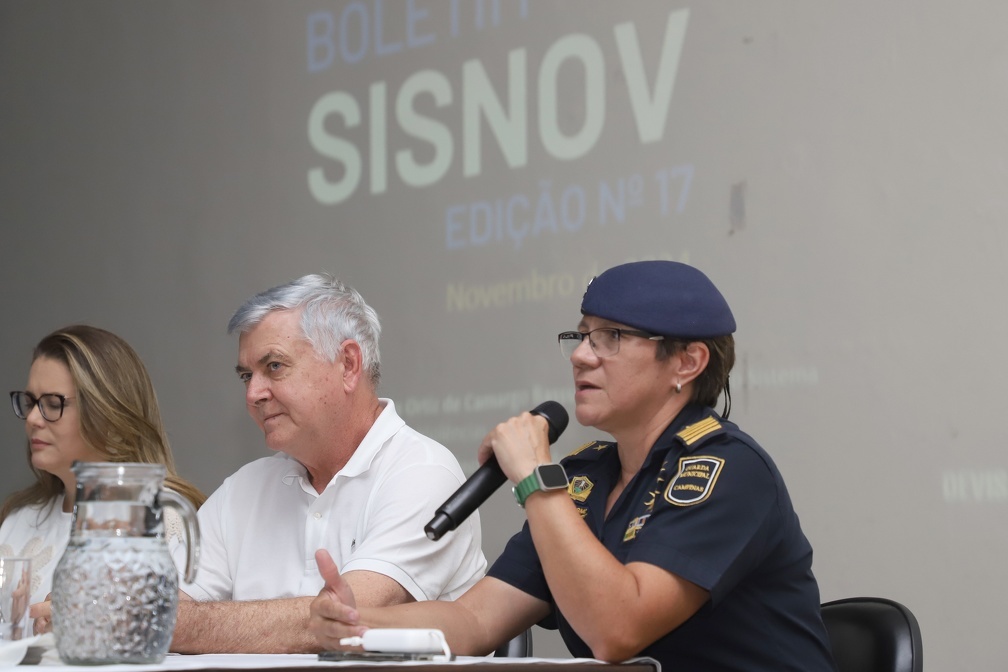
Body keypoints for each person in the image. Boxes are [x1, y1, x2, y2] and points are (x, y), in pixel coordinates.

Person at [308, 261, 837, 671]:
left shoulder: (729, 470)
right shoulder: (585, 480)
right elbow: (475, 620)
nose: (582, 355)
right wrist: (358, 625)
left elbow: (617, 631)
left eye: (612, 337)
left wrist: (536, 479)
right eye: (581, 336)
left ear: (687, 362)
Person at [170, 273, 486, 654]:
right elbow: (150, 618)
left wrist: (193, 624)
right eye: (245, 375)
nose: (253, 394)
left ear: (348, 365)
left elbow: (340, 624)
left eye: (274, 366)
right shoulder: (244, 488)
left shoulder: (422, 472)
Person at [0, 325, 206, 634]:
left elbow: (171, 637)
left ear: (109, 415)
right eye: (30, 402)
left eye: (52, 404)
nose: (32, 419)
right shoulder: (18, 518)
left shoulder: (164, 518)